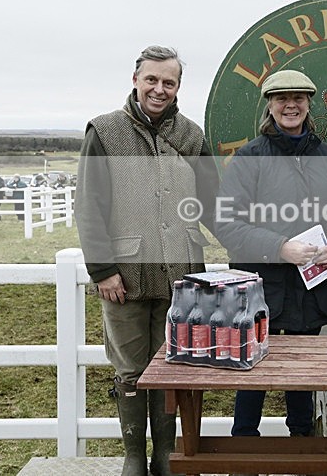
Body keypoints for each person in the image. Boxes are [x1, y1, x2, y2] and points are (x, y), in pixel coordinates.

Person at [75, 45, 219, 476]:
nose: (160, 89)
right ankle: (134, 455)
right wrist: (102, 269)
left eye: (169, 82)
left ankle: (164, 455)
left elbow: (213, 204)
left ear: (178, 87)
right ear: (136, 80)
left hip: (181, 275)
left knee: (172, 364)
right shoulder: (104, 131)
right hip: (124, 276)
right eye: (152, 80)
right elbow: (89, 205)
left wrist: (258, 244)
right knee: (131, 367)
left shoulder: (191, 136)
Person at [215, 69, 327, 447]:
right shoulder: (249, 158)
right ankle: (244, 452)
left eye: (298, 98)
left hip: (311, 288)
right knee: (252, 375)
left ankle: (302, 449)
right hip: (263, 291)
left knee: (302, 377)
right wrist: (279, 247)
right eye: (281, 98)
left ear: (309, 104)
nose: (290, 104)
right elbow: (227, 223)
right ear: (270, 105)